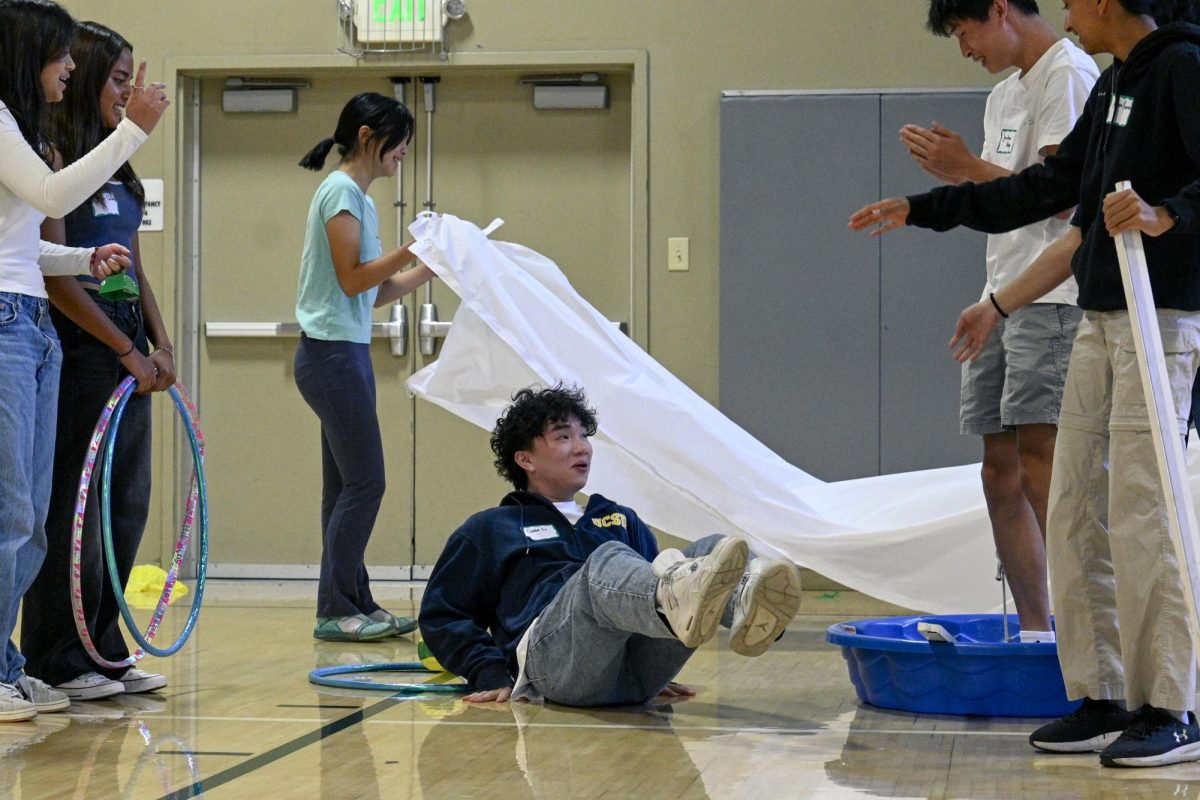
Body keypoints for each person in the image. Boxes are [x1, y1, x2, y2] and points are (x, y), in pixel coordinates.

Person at [849, 0, 1200, 769]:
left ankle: (1171, 702)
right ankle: (1103, 693)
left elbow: (1185, 195)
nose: (1069, 8)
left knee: (1145, 509)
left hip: (1160, 317)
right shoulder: (1114, 87)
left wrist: (1164, 212)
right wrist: (923, 208)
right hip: (1101, 317)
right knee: (1075, 509)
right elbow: (1041, 194)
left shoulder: (1182, 66)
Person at [899, 0, 1098, 641]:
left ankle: (1086, 631)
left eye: (964, 32)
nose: (965, 49)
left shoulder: (1068, 73)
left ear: (1000, 10)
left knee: (1044, 461)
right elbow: (1002, 200)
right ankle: (1037, 629)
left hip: (1055, 294)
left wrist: (964, 172)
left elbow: (1062, 195)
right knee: (998, 469)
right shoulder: (1003, 95)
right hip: (1002, 292)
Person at [419, 385, 803, 707]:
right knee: (608, 560)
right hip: (556, 669)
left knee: (713, 546)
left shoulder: (619, 518)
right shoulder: (493, 527)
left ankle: (752, 610)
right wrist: (487, 670)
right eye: (563, 437)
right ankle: (703, 600)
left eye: (585, 435)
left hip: (637, 674)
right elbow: (444, 613)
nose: (582, 447)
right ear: (525, 460)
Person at [0, 0, 167, 722]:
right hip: (18, 326)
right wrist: (135, 130)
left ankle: (21, 662)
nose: (68, 67)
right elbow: (50, 194)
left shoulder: (27, 130)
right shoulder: (10, 127)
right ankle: (24, 660)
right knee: (17, 511)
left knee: (36, 515)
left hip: (30, 321)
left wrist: (82, 256)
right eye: (60, 54)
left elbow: (28, 248)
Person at [295, 92, 435, 642]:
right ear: (367, 137)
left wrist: (429, 267)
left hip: (344, 350)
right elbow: (354, 277)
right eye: (398, 141)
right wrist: (410, 248)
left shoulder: (359, 199)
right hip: (329, 355)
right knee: (367, 483)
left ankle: (353, 600)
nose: (403, 152)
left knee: (345, 488)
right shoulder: (340, 193)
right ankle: (335, 608)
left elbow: (371, 294)